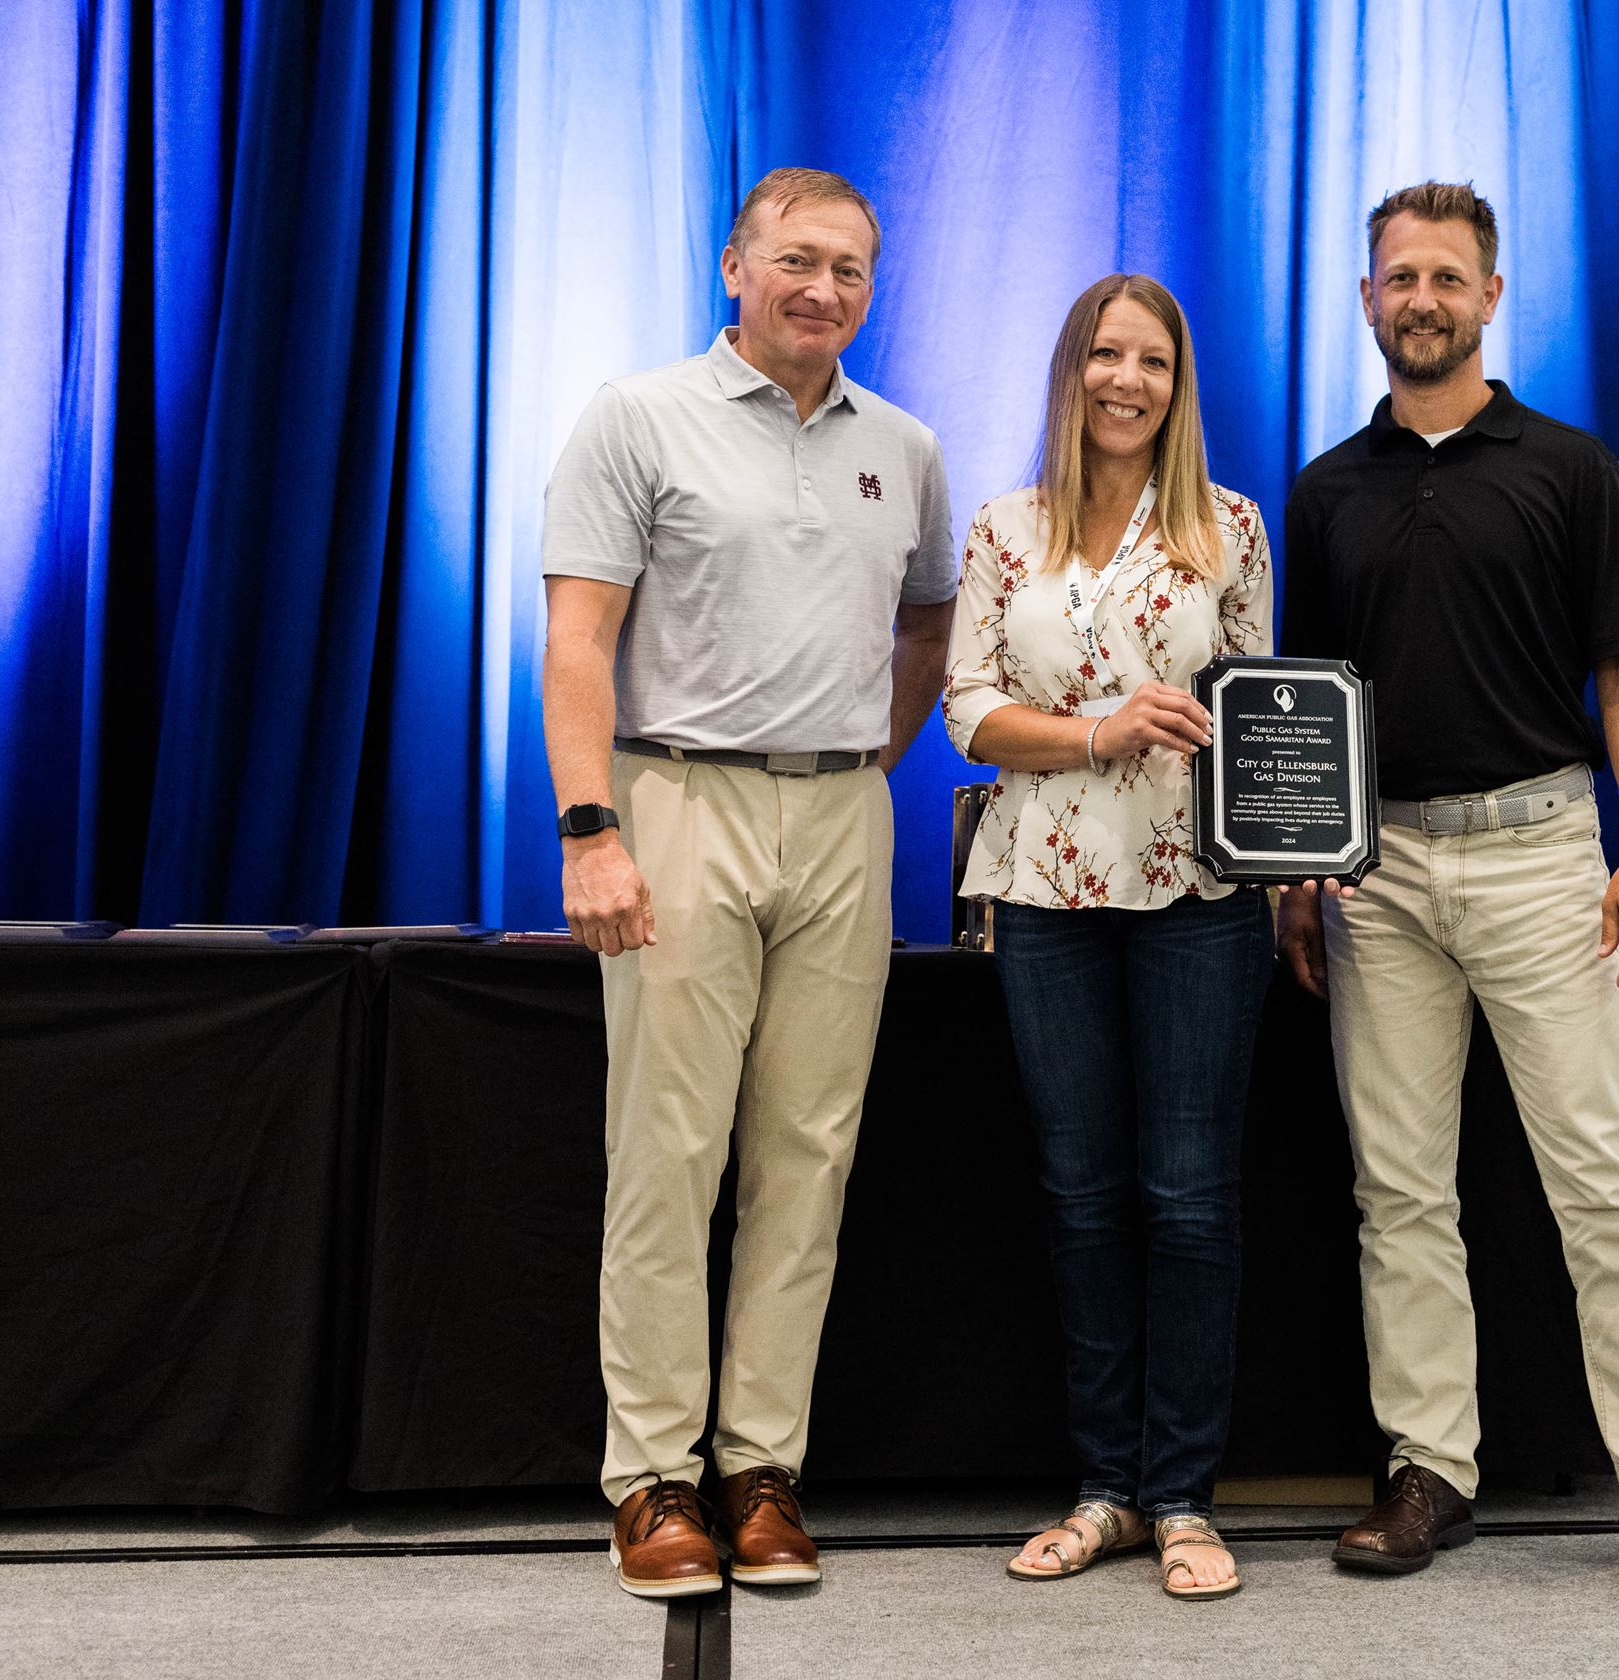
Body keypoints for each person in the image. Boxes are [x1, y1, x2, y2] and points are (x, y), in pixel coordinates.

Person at [1276, 182, 1619, 1606]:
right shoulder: (1327, 490)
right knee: (1400, 1188)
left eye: (1446, 277)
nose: (1421, 298)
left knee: (1603, 1182)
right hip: (1382, 877)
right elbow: (1309, 709)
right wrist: (1301, 871)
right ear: (1368, 303)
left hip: (1545, 855)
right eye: (1398, 277)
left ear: (1489, 296)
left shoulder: (1569, 469)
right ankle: (1430, 1469)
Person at [539, 166, 955, 1599]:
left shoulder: (899, 446)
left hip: (842, 818)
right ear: (735, 266)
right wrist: (592, 827)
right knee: (670, 1153)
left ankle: (760, 1470)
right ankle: (652, 1476)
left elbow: (931, 626)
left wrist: (863, 765)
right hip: (676, 803)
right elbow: (579, 639)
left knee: (808, 1157)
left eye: (848, 269)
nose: (820, 287)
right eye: (794, 258)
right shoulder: (636, 417)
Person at [945, 274, 1275, 1601]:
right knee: (1082, 1202)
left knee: (1190, 1203)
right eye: (1105, 354)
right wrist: (1095, 731)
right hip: (1040, 897)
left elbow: (1269, 716)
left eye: (1152, 359)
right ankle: (1102, 1491)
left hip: (1201, 899)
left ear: (1177, 382)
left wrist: (1309, 865)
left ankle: (1184, 1496)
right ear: (1071, 370)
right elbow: (968, 712)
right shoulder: (1003, 527)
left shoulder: (1228, 528)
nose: (1128, 379)